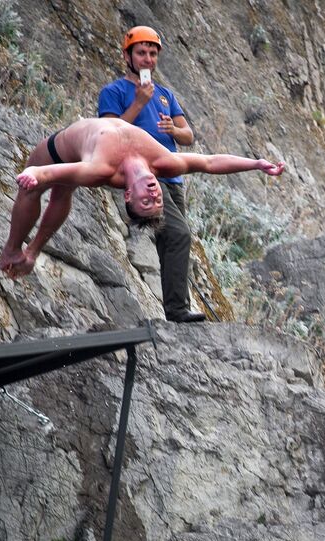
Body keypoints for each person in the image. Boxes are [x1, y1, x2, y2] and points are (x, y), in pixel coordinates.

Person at [0, 117, 285, 289]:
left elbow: (46, 173)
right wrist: (256, 164)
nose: (154, 194)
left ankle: (18, 251)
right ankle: (24, 252)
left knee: (52, 190)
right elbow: (210, 162)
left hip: (56, 152)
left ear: (128, 195)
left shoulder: (102, 170)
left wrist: (34, 173)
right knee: (63, 191)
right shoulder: (164, 163)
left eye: (146, 201)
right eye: (157, 199)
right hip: (79, 148)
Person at [98, 25, 200, 322]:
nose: (148, 59)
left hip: (173, 176)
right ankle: (178, 310)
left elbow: (188, 135)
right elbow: (108, 132)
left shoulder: (166, 94)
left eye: (153, 53)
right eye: (141, 52)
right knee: (179, 234)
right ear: (127, 55)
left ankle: (177, 308)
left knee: (172, 241)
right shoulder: (114, 91)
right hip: (144, 175)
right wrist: (139, 103)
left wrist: (174, 129)